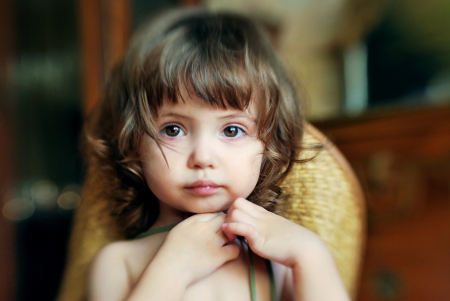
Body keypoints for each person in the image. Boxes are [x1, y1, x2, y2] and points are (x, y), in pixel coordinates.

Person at [86, 7, 350, 301]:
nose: (203, 157)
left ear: (269, 146)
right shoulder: (118, 263)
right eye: (173, 130)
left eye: (232, 130)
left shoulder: (279, 260)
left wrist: (311, 255)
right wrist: (173, 268)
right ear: (132, 143)